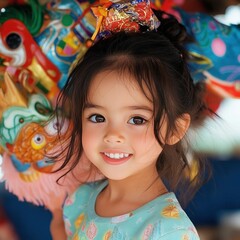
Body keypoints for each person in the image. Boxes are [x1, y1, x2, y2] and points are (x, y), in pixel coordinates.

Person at [51, 1, 208, 239]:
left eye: (136, 119)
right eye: (97, 117)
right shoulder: (77, 202)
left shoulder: (169, 231)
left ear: (175, 129)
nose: (113, 135)